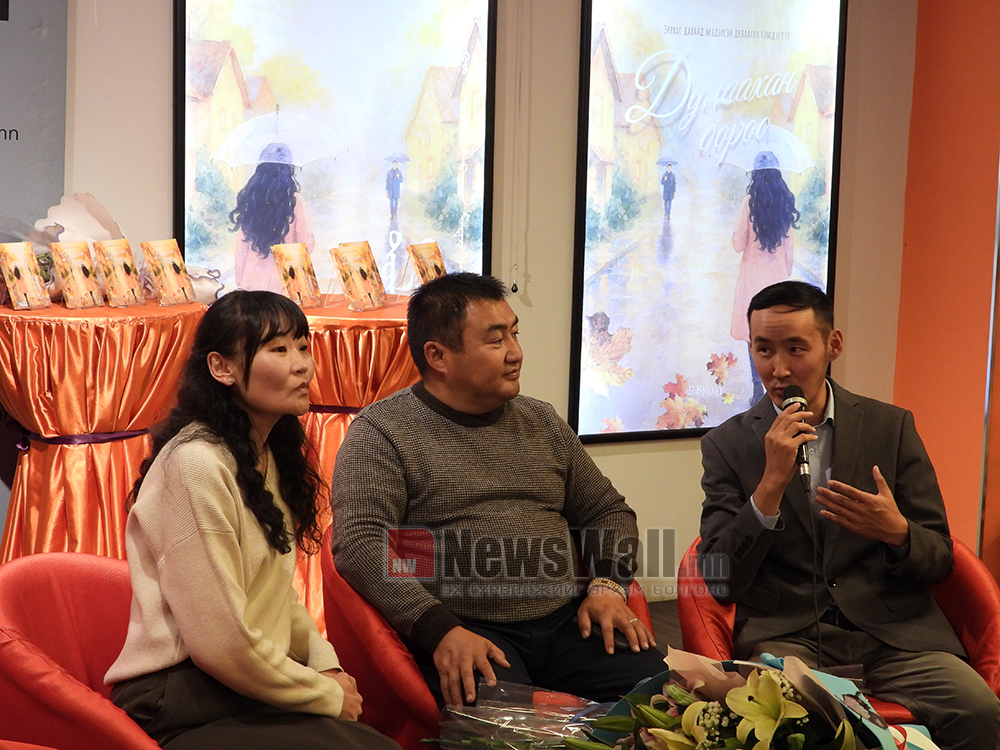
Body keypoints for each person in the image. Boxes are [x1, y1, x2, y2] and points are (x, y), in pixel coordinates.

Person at [331, 273, 664, 708]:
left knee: (666, 699)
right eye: (495, 340)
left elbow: (607, 511)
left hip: (567, 622)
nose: (515, 352)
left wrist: (607, 585)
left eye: (515, 334)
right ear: (437, 355)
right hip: (465, 627)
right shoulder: (382, 432)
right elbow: (360, 543)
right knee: (502, 728)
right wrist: (441, 630)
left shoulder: (542, 421)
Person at [698, 280, 1000, 750]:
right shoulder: (727, 444)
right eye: (764, 349)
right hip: (790, 636)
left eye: (796, 348)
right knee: (786, 725)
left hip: (894, 633)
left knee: (979, 710)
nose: (779, 369)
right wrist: (769, 485)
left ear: (833, 345)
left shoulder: (890, 427)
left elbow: (941, 557)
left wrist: (897, 532)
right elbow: (720, 578)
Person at [105, 291, 399, 750]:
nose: (302, 366)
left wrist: (326, 665)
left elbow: (275, 597)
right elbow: (220, 641)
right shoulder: (196, 463)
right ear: (221, 367)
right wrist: (323, 693)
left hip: (237, 683)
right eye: (279, 349)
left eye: (303, 346)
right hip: (178, 696)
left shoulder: (266, 453)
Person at [730, 151, 797, 405]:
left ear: (755, 175)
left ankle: (758, 389)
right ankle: (776, 387)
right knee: (778, 336)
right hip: (777, 281)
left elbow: (738, 244)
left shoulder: (749, 203)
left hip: (752, 282)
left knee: (754, 336)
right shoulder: (783, 202)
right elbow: (789, 249)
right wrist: (785, 271)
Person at [231, 142, 315, 293]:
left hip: (252, 279)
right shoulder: (295, 201)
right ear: (288, 170)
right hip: (283, 281)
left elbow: (241, 246)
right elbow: (306, 242)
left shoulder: (253, 198)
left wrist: (240, 279)